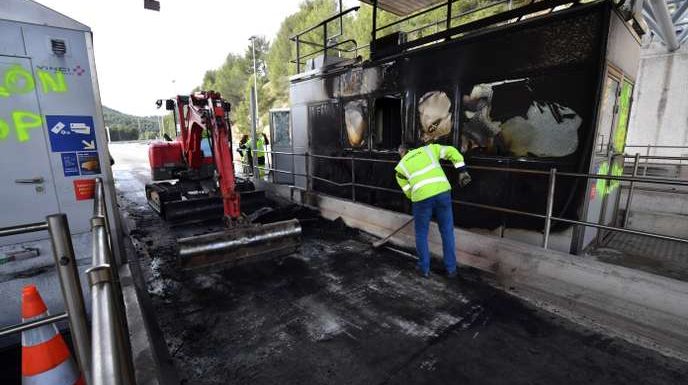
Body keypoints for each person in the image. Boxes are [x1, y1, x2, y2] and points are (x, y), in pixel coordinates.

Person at [395, 142, 471, 278]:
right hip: (442, 192)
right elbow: (452, 151)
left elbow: (408, 192)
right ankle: (451, 270)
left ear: (402, 152)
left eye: (399, 154)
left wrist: (419, 199)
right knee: (447, 231)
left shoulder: (400, 168)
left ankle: (423, 269)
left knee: (421, 234)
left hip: (421, 200)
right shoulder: (429, 149)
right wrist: (462, 170)